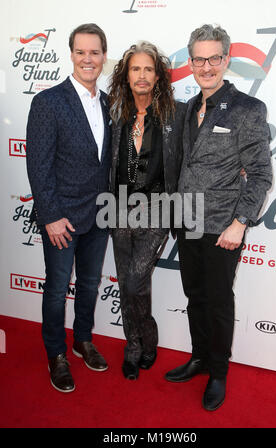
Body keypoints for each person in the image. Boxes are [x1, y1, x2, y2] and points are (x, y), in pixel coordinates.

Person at [165, 24, 273, 410]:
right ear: (190, 62)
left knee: (218, 301)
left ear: (226, 60)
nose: (206, 66)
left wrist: (240, 222)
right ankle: (198, 357)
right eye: (199, 59)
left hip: (222, 227)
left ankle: (218, 373)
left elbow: (260, 174)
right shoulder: (190, 106)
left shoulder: (247, 109)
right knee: (194, 296)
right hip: (187, 221)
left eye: (214, 58)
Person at [26, 23, 111, 393]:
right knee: (58, 290)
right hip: (61, 218)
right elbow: (38, 165)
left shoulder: (108, 102)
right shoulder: (48, 102)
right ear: (71, 54)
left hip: (99, 215)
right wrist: (50, 216)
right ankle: (56, 354)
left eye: (94, 52)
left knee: (90, 284)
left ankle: (82, 339)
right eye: (81, 52)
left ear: (104, 56)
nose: (88, 59)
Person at [107, 42, 186, 380]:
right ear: (127, 75)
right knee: (127, 283)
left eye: (148, 69)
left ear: (158, 77)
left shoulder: (175, 114)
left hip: (156, 210)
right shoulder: (114, 113)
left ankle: (148, 340)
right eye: (135, 69)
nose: (141, 75)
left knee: (137, 279)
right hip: (117, 208)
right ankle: (134, 347)